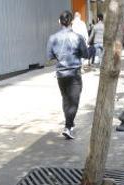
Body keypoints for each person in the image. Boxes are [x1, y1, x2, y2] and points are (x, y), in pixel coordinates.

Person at [48, 10, 89, 140]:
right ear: (71, 22)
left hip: (61, 74)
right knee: (74, 101)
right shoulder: (78, 37)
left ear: (59, 22)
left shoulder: (52, 38)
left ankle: (69, 125)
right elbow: (86, 54)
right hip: (74, 73)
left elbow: (50, 56)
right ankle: (68, 126)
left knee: (66, 99)